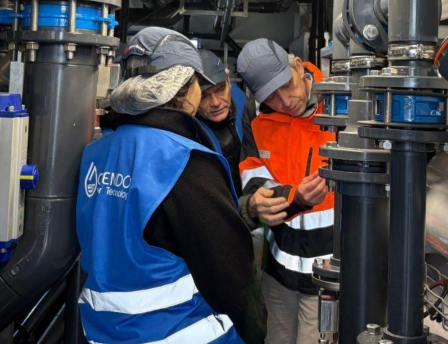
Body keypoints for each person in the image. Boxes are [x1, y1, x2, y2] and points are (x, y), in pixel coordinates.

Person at [76, 27, 254, 344]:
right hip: (182, 332)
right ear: (185, 89)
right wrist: (256, 330)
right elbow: (230, 266)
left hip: (103, 331)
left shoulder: (95, 153)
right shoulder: (184, 159)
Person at [236, 38, 336, 344]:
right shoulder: (256, 115)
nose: (285, 101)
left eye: (286, 85)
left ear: (298, 66)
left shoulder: (339, 101)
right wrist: (257, 203)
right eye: (271, 96)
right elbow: (254, 178)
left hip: (329, 273)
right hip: (279, 271)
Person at [196, 49, 247, 197]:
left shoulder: (242, 101)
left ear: (229, 82)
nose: (216, 103)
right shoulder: (189, 133)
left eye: (220, 90)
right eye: (204, 96)